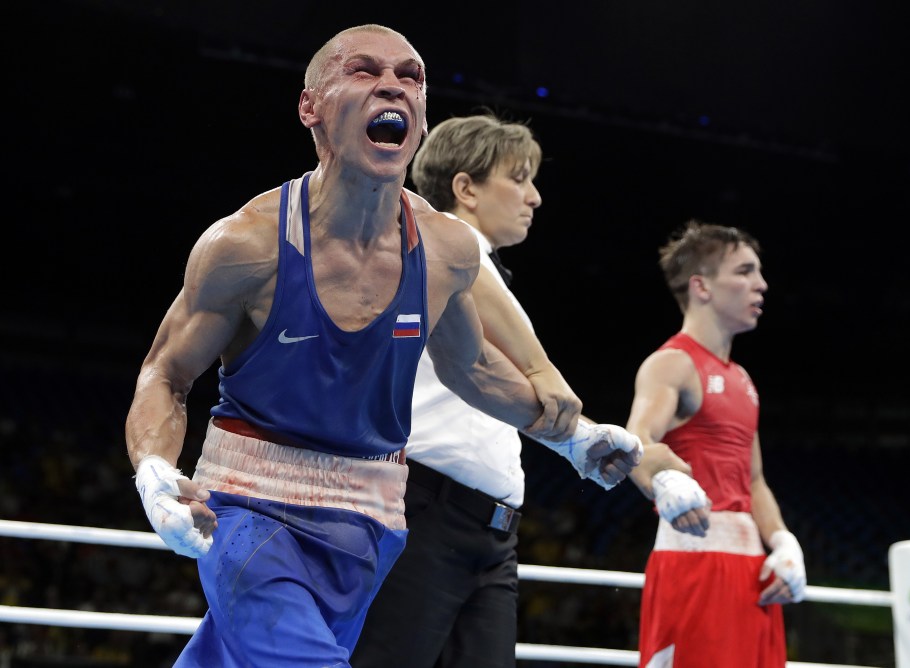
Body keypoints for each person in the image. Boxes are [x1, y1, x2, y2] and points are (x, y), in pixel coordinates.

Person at [125, 25, 641, 668]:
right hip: (249, 505)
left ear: (421, 115)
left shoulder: (447, 253)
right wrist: (154, 472)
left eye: (411, 76)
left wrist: (571, 439)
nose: (393, 84)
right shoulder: (246, 246)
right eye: (364, 71)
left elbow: (474, 369)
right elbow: (165, 373)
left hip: (371, 520)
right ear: (310, 106)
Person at [352, 113, 697, 668]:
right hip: (423, 511)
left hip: (492, 533)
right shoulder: (437, 246)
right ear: (465, 188)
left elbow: (511, 391)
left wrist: (600, 445)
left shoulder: (484, 275)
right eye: (518, 178)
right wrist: (596, 441)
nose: (534, 197)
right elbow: (530, 382)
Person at [625, 220, 806, 667]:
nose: (760, 285)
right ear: (701, 286)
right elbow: (635, 443)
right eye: (744, 272)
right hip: (695, 564)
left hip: (752, 574)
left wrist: (783, 541)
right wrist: (665, 479)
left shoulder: (743, 381)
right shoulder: (672, 364)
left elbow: (755, 479)